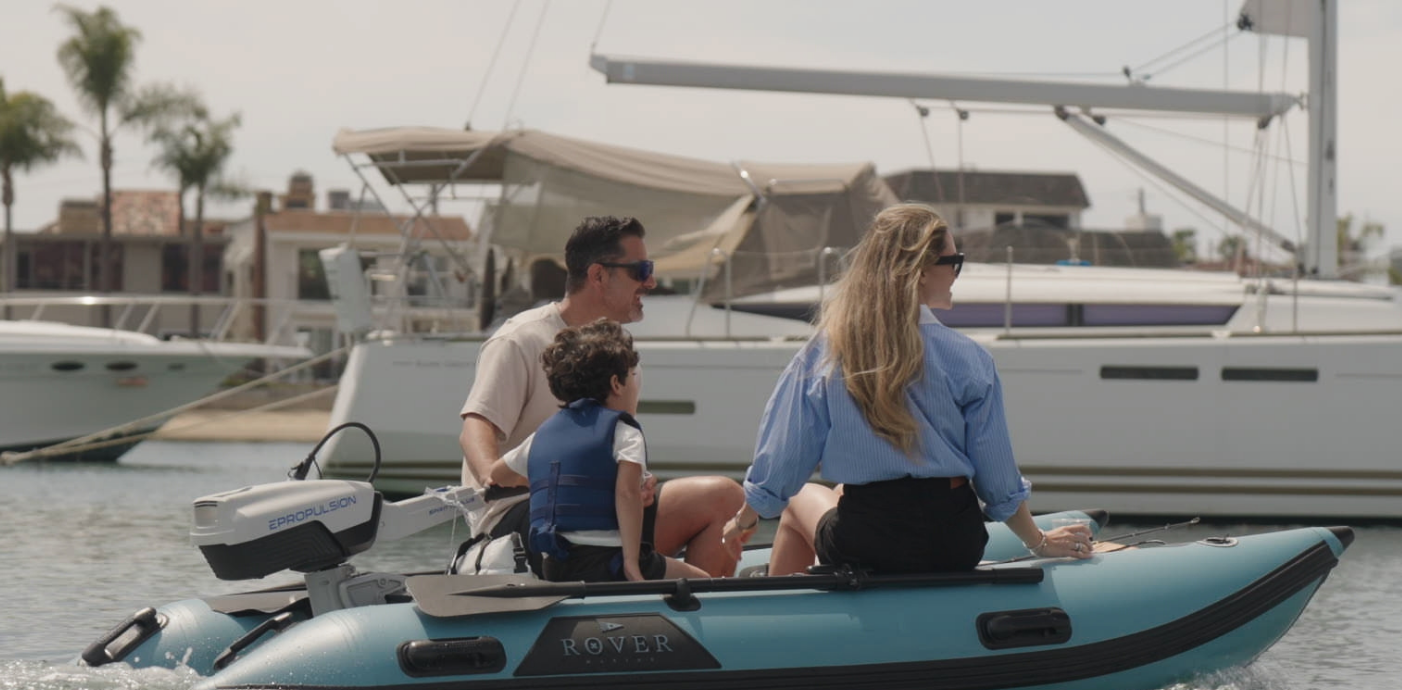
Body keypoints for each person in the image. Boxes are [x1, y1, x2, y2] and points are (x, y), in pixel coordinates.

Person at [721, 203, 1094, 576]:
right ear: (919, 272)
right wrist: (1039, 541)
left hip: (868, 539)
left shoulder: (827, 351)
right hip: (956, 541)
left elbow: (783, 463)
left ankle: (785, 607)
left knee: (799, 498)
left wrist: (743, 522)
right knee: (839, 496)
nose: (956, 274)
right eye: (953, 261)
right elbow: (997, 481)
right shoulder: (969, 358)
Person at [459, 215, 745, 576]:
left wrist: (639, 481)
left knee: (724, 498)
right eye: (641, 270)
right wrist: (494, 478)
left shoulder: (623, 360)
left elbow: (616, 449)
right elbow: (475, 428)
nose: (651, 282)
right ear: (598, 275)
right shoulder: (521, 339)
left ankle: (683, 624)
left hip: (603, 509)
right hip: (522, 518)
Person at [489, 321, 709, 583]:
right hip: (609, 561)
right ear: (617, 383)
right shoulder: (624, 433)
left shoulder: (541, 436)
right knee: (702, 580)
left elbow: (498, 475)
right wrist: (631, 562)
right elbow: (626, 494)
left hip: (556, 565)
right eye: (631, 376)